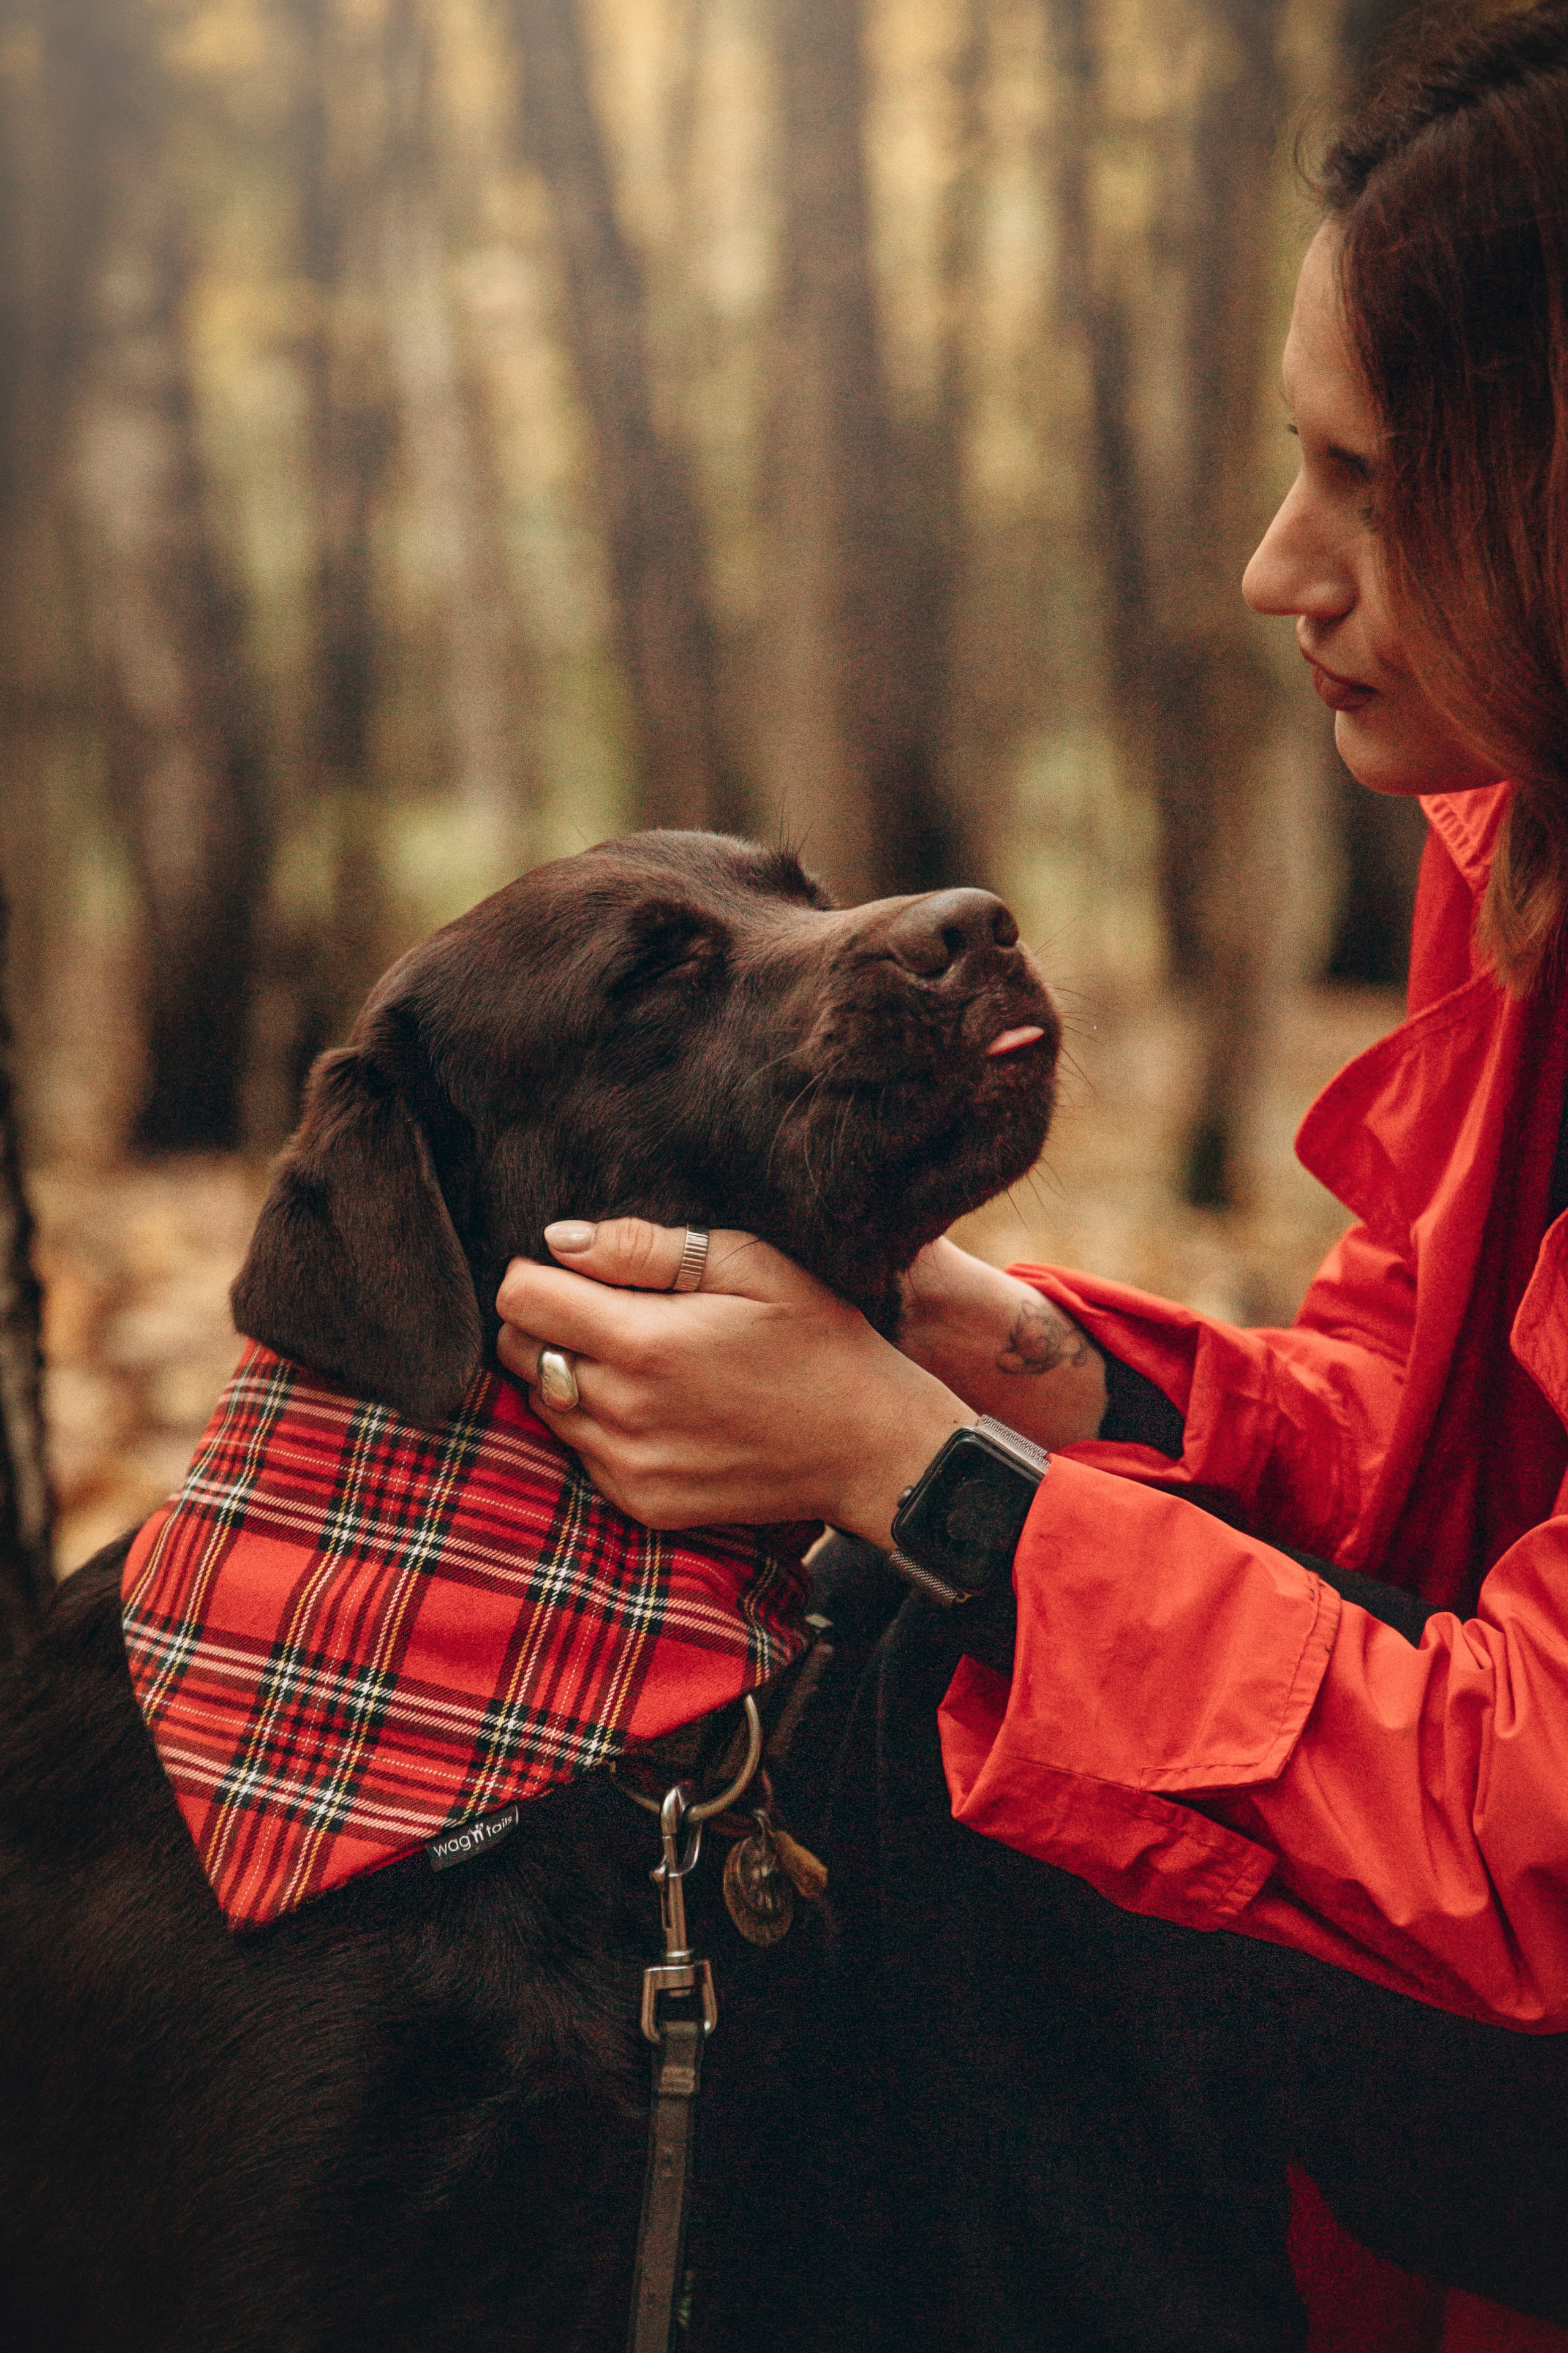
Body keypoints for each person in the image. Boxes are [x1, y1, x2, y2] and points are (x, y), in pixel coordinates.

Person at [496, 7, 1568, 2347]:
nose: (1280, 565)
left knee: (976, 1735)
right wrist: (1050, 1374)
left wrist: (926, 1476)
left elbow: (1533, 1833)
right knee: (919, 1649)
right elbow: (1420, 1434)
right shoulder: (1517, 850)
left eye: (1372, 481)